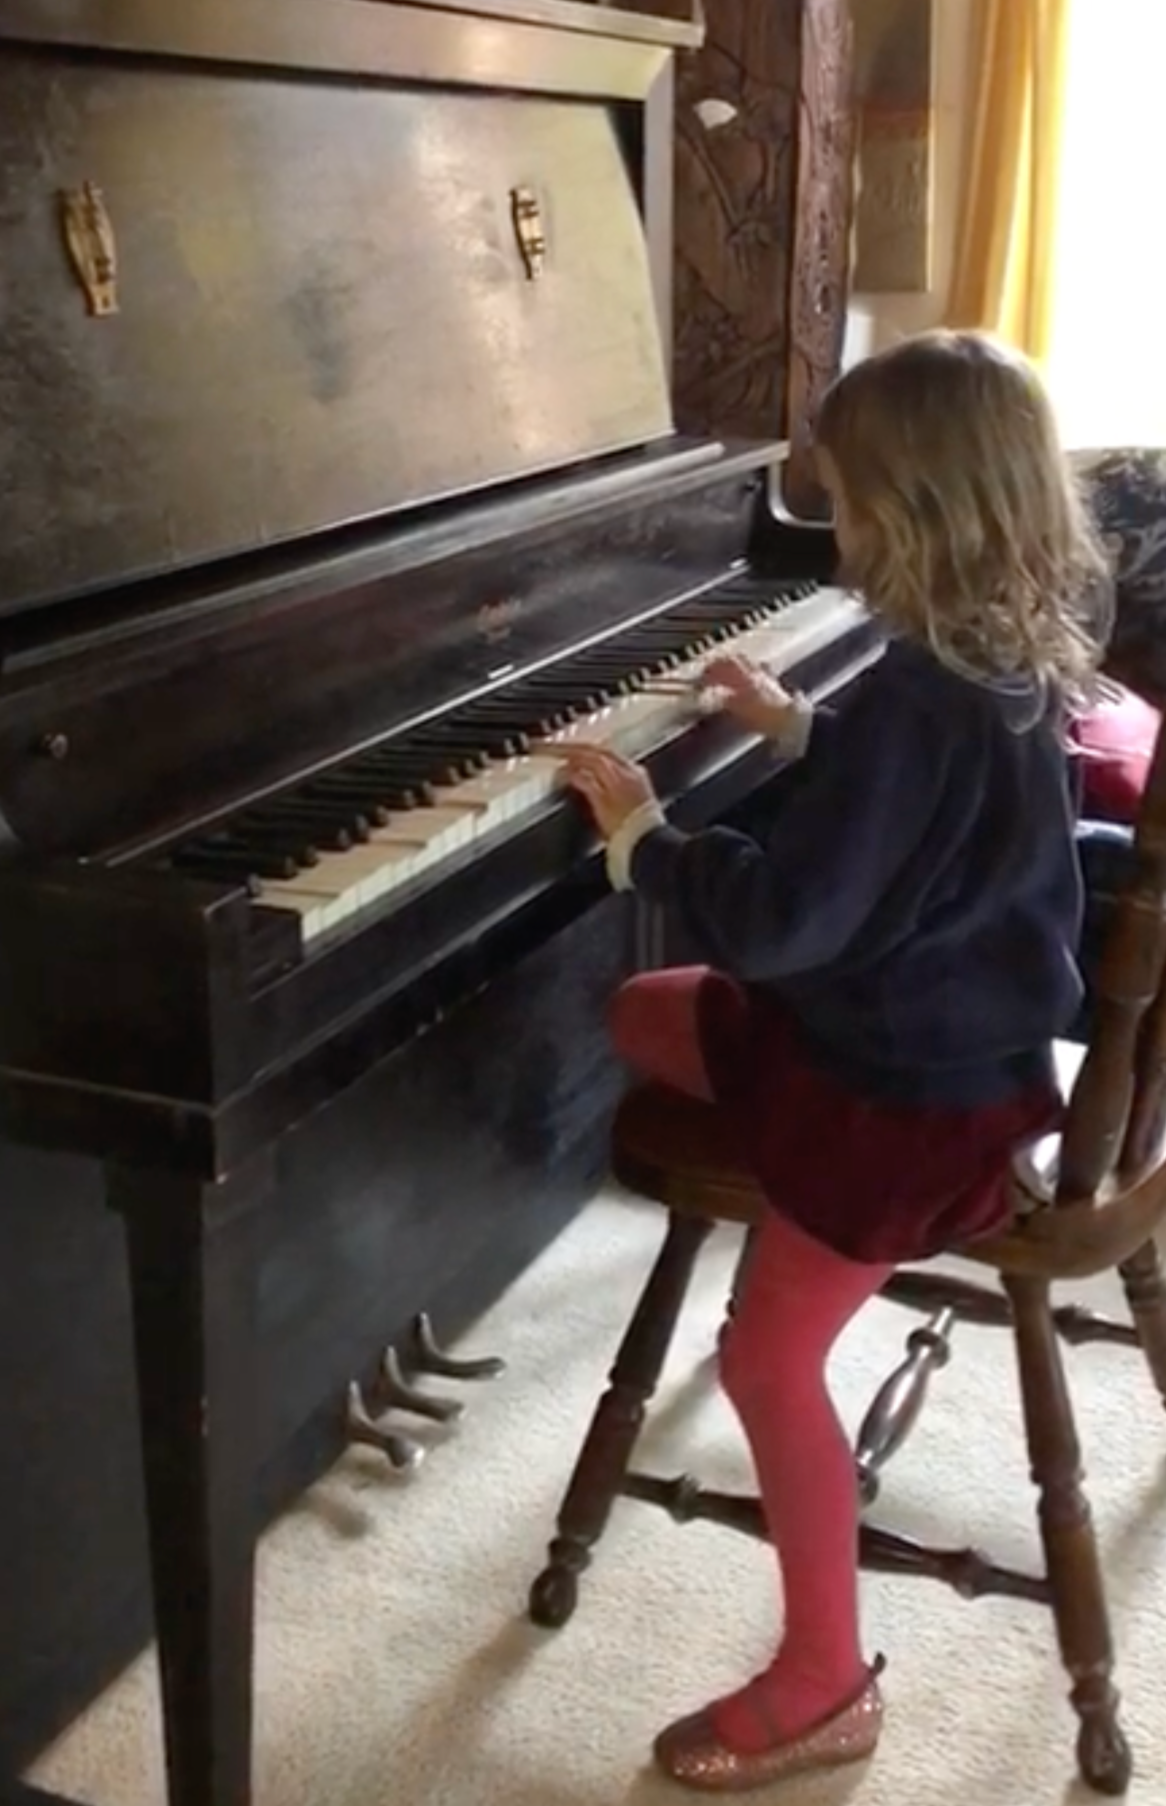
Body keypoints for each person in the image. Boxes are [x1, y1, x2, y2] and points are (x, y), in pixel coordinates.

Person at [559, 330, 1111, 1794]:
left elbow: (791, 923)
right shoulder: (995, 664)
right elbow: (929, 818)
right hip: (962, 1052)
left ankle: (821, 1680)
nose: (832, 525)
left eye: (849, 500)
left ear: (914, 513)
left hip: (894, 1105)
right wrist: (802, 725)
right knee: (643, 1017)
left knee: (765, 1354)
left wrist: (645, 840)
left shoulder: (923, 698)